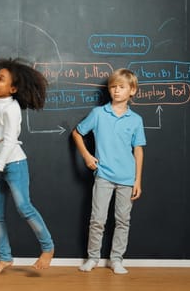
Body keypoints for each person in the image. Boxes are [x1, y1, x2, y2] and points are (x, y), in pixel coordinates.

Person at [72, 68, 146, 275]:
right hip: (103, 175)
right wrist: (87, 156)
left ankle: (117, 259)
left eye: (121, 87)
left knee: (123, 220)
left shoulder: (136, 120)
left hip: (127, 178)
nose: (116, 91)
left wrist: (138, 180)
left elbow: (138, 150)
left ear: (132, 91)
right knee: (98, 219)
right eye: (113, 86)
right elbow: (77, 133)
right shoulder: (98, 114)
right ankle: (93, 258)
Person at [0, 58, 54, 276]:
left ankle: (48, 247)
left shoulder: (12, 108)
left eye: (1, 79)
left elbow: (11, 141)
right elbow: (2, 135)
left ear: (13, 88)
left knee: (24, 207)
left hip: (13, 164)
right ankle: (5, 257)